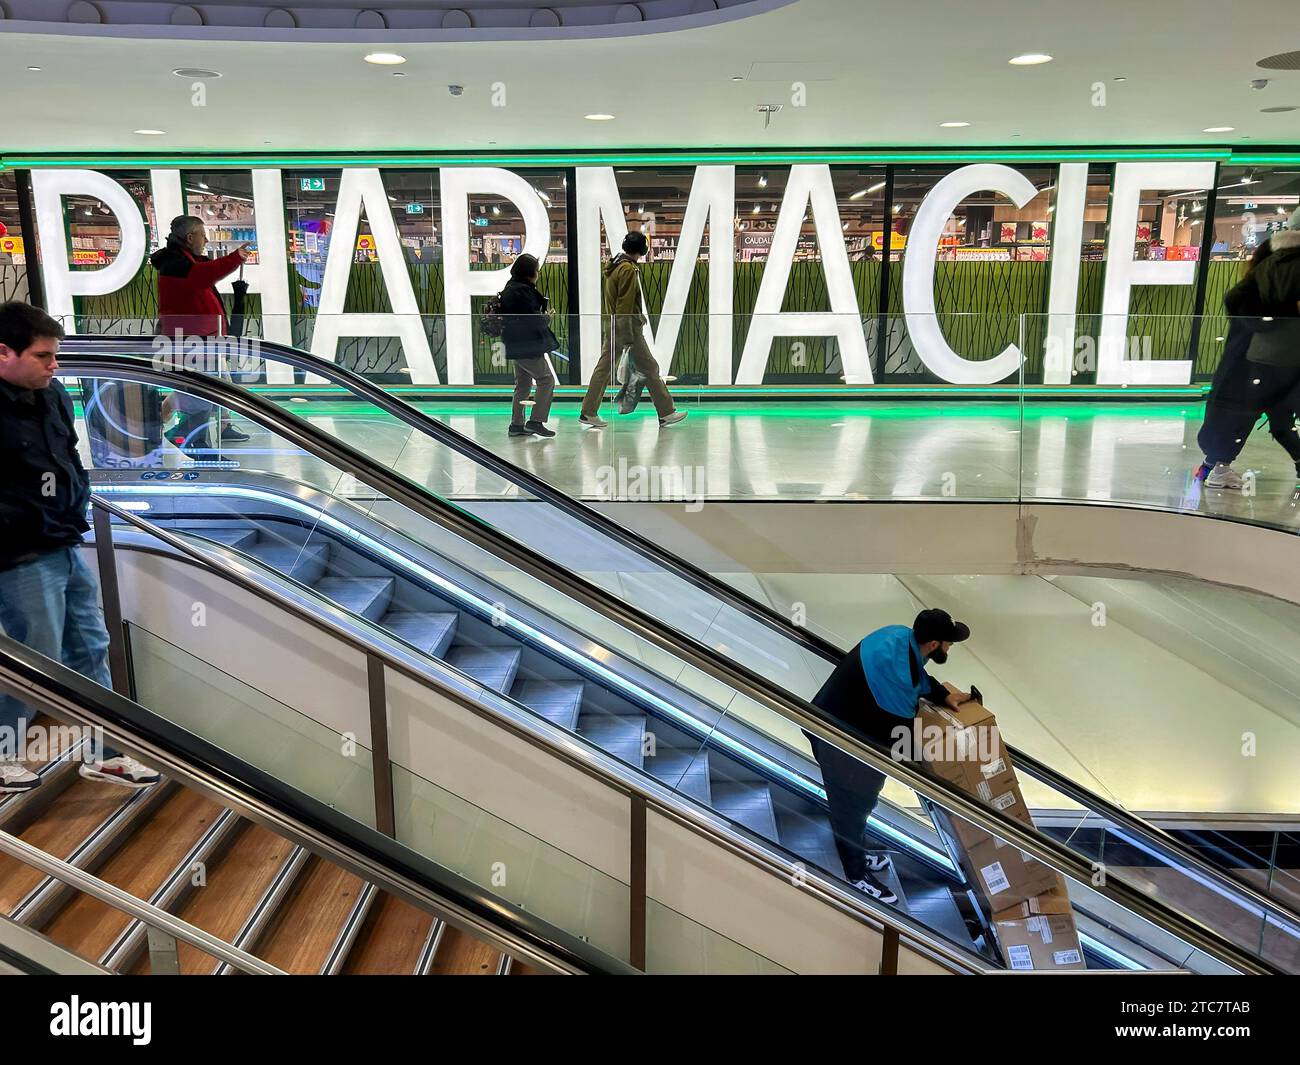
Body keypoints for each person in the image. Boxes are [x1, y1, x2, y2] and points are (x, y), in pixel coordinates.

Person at [0, 302, 161, 792]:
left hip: (65, 542)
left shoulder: (50, 398)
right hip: (18, 557)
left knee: (91, 647)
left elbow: (66, 456)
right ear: (4, 353)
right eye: (44, 356)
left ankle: (106, 754)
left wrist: (72, 511)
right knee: (34, 658)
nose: (54, 365)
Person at [804, 609, 972, 903]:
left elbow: (916, 675)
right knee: (853, 803)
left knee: (859, 804)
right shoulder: (898, 684)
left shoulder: (897, 635)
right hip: (839, 741)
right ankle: (856, 876)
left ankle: (856, 847)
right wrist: (927, 770)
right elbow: (899, 741)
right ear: (933, 644)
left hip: (831, 716)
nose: (950, 647)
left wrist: (941, 694)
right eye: (948, 642)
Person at [1196, 221, 1300, 490]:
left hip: (1258, 362)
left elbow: (1240, 305)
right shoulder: (1277, 275)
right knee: (1269, 419)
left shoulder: (1263, 276)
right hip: (1273, 363)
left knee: (1247, 416)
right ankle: (1215, 466)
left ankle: (1215, 466)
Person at [150, 215, 250, 453]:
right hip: (193, 344)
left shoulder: (181, 261)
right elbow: (204, 275)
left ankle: (194, 437)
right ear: (190, 237)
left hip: (201, 342)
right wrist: (235, 258)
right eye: (203, 235)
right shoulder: (176, 264)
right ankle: (187, 437)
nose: (206, 240)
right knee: (205, 394)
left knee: (207, 392)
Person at [579, 231, 686, 429]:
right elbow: (625, 304)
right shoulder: (628, 269)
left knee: (605, 368)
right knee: (649, 367)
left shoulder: (615, 267)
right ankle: (666, 412)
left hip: (614, 325)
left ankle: (588, 411)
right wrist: (628, 336)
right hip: (627, 329)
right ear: (643, 250)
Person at [499, 253, 559, 438]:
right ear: (530, 272)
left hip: (516, 343)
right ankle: (536, 421)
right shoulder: (522, 291)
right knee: (546, 380)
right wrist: (546, 318)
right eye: (536, 270)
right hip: (527, 344)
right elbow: (531, 320)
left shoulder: (512, 287)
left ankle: (517, 424)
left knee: (523, 384)